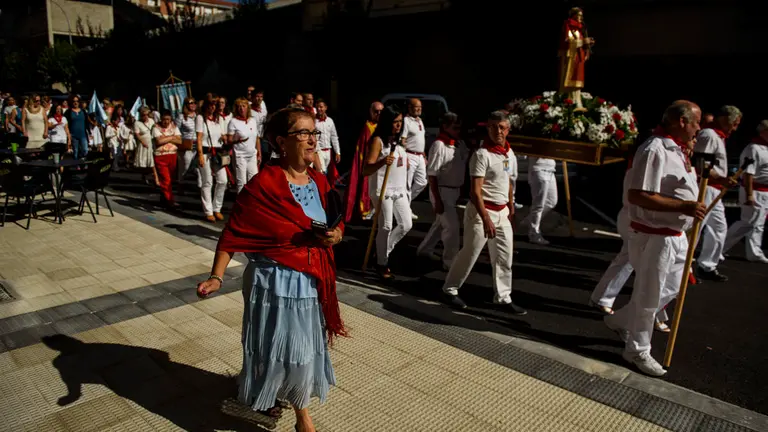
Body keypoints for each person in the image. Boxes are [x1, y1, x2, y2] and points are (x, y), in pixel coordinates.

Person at [196, 107, 344, 432]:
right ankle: (303, 418)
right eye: (303, 133)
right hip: (273, 283)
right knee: (284, 349)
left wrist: (336, 234)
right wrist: (217, 276)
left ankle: (283, 399)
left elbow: (336, 220)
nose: (311, 139)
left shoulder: (320, 180)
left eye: (313, 132)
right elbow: (233, 232)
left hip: (310, 281)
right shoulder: (263, 185)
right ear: (281, 141)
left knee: (301, 349)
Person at [604, 101, 705, 377]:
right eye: (696, 122)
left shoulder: (680, 150)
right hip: (654, 236)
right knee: (650, 294)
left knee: (670, 290)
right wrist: (683, 207)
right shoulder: (654, 149)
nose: (699, 128)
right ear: (681, 122)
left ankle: (622, 320)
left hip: (677, 234)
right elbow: (638, 195)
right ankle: (636, 350)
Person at [442, 111, 525, 314]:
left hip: (502, 211)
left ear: (508, 129)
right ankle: (450, 289)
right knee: (471, 252)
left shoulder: (508, 153)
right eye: (494, 127)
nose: (498, 131)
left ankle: (503, 297)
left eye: (502, 127)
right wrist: (485, 218)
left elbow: (508, 183)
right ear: (488, 128)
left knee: (505, 257)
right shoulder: (482, 155)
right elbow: (475, 191)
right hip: (481, 211)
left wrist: (511, 207)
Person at [363, 105, 412, 280]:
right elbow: (366, 169)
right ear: (387, 122)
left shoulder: (398, 141)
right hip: (382, 189)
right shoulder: (378, 141)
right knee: (386, 226)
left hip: (398, 189)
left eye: (400, 122)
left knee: (406, 224)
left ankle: (383, 251)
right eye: (395, 122)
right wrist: (383, 161)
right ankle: (382, 263)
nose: (398, 125)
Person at [694, 105, 742, 282]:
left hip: (715, 189)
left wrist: (722, 180)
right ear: (725, 119)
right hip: (705, 188)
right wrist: (722, 179)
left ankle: (707, 265)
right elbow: (701, 164)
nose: (735, 128)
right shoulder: (709, 135)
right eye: (734, 124)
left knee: (719, 228)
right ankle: (682, 269)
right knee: (696, 229)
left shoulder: (719, 138)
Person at [416, 112, 469, 269]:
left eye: (460, 128)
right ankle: (450, 262)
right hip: (442, 191)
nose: (458, 131)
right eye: (454, 128)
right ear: (445, 127)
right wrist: (437, 200)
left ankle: (424, 250)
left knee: (440, 224)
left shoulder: (459, 144)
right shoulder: (439, 145)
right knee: (451, 228)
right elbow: (432, 175)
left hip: (455, 191)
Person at [723, 120, 768, 263]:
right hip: (755, 190)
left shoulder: (765, 148)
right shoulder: (753, 148)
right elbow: (748, 173)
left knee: (755, 223)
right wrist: (749, 195)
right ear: (763, 132)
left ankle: (722, 248)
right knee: (749, 223)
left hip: (764, 191)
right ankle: (751, 252)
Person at [344, 101, 382, 222]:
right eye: (376, 111)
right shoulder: (367, 127)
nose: (378, 114)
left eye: (381, 112)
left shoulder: (384, 126)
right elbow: (362, 150)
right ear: (371, 112)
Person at [196, 99, 227, 222]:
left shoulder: (219, 119)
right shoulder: (200, 118)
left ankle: (217, 208)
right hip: (205, 152)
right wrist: (199, 155)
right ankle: (208, 211)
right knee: (207, 182)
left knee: (223, 180)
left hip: (217, 153)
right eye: (210, 105)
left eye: (215, 105)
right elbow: (199, 138)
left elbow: (222, 134)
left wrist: (225, 138)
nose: (213, 107)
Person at [558, 7, 595, 109]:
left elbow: (582, 43)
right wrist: (583, 42)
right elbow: (568, 41)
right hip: (570, 58)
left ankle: (577, 101)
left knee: (578, 79)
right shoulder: (568, 25)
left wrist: (587, 44)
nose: (580, 17)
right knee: (570, 79)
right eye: (578, 15)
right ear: (573, 16)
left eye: (581, 16)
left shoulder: (581, 28)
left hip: (579, 57)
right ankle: (569, 101)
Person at [400, 98, 428, 215]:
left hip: (420, 156)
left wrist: (424, 156)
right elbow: (403, 139)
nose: (419, 109)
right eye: (417, 107)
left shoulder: (420, 120)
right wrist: (404, 156)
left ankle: (405, 203)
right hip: (410, 155)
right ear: (410, 107)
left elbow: (421, 140)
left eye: (420, 107)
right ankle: (406, 210)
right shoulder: (406, 120)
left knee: (422, 182)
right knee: (407, 183)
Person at [228, 97, 260, 193]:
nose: (241, 108)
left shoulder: (252, 121)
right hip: (240, 155)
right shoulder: (233, 121)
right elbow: (229, 139)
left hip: (252, 155)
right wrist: (236, 139)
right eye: (239, 106)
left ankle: (252, 204)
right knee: (241, 182)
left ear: (247, 107)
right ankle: (241, 205)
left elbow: (257, 138)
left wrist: (259, 153)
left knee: (254, 180)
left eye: (243, 106)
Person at [523, 156, 558, 245]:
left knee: (552, 202)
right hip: (539, 169)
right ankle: (534, 233)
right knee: (539, 204)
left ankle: (530, 220)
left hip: (551, 169)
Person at [152, 111, 182, 209]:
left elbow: (179, 140)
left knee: (170, 179)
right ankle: (170, 201)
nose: (166, 122)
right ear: (161, 119)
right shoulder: (156, 127)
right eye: (164, 119)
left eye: (168, 119)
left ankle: (164, 197)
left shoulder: (174, 127)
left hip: (172, 155)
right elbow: (159, 141)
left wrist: (167, 138)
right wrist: (172, 137)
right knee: (166, 179)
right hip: (161, 156)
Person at [314, 99, 341, 175]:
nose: (319, 109)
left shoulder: (330, 121)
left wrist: (337, 152)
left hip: (328, 151)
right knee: (322, 171)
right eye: (317, 107)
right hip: (318, 150)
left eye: (321, 107)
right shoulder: (313, 121)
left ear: (326, 108)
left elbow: (334, 137)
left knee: (325, 171)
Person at [133, 107, 156, 185]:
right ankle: (144, 176)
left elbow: (155, 130)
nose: (145, 117)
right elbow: (137, 134)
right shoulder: (137, 123)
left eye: (146, 115)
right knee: (144, 163)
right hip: (143, 144)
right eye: (143, 115)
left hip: (151, 143)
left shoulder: (152, 121)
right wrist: (142, 142)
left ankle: (155, 177)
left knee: (152, 161)